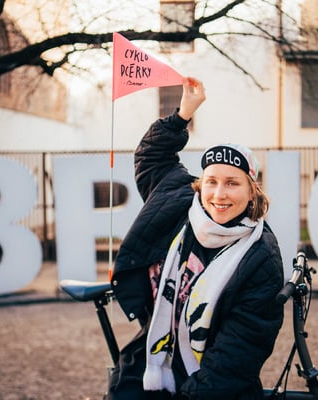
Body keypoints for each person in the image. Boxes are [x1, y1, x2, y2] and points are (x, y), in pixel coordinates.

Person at [109, 77, 284, 400]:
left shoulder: (261, 256)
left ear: (251, 191)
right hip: (154, 358)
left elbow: (237, 355)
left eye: (232, 183)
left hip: (212, 382)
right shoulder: (177, 203)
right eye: (212, 181)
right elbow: (151, 157)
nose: (219, 194)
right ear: (200, 184)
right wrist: (183, 114)